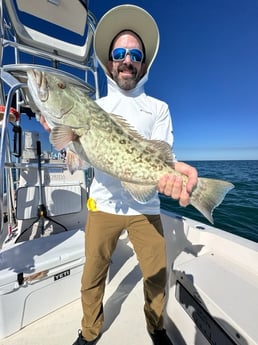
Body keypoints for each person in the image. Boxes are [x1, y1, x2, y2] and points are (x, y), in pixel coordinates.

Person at [40, 5, 198, 345]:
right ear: (110, 61)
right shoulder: (94, 105)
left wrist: (176, 175)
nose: (127, 60)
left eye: (135, 54)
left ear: (143, 63)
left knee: (157, 274)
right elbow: (78, 161)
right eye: (120, 53)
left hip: (146, 206)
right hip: (103, 204)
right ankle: (90, 331)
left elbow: (162, 155)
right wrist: (63, 135)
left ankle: (156, 327)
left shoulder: (158, 108)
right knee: (93, 276)